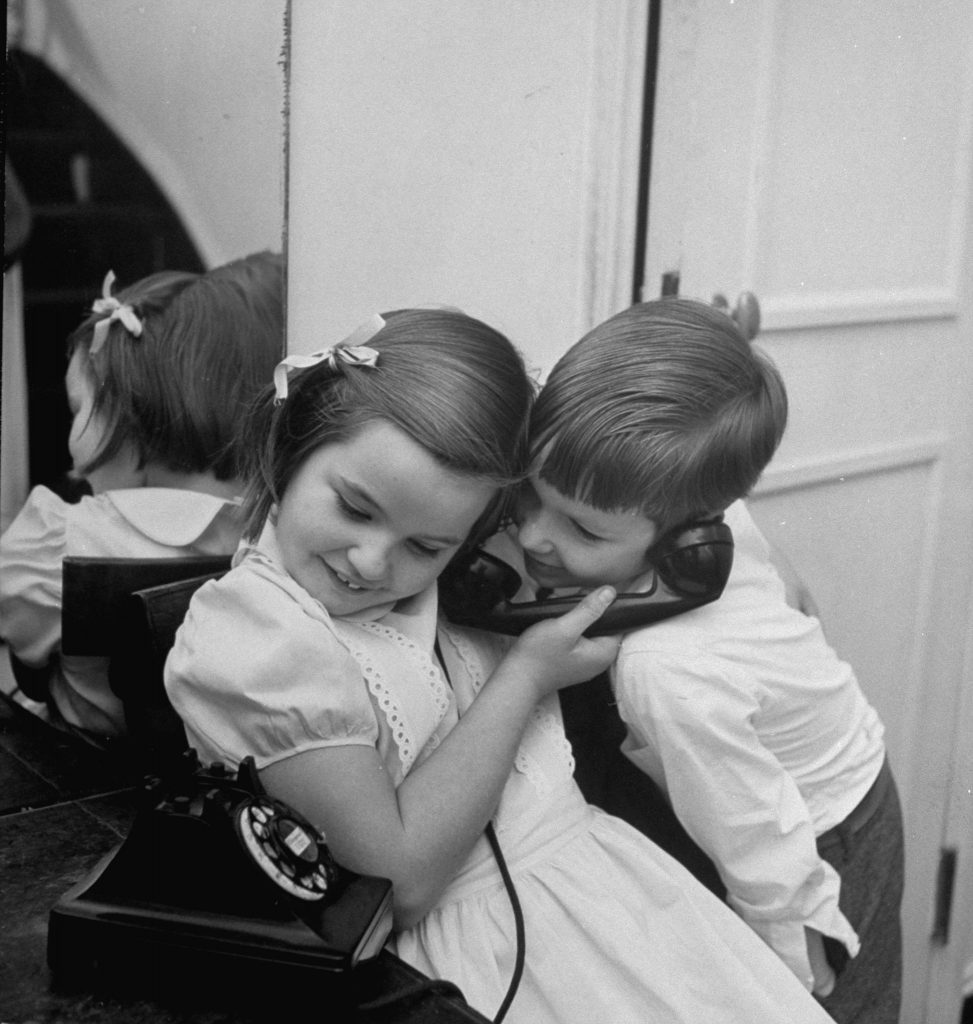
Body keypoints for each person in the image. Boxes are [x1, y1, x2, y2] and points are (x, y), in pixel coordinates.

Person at [164, 307, 835, 1024]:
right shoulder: (257, 635)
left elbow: (649, 472)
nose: (371, 561)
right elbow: (395, 879)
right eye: (355, 509)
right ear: (292, 447)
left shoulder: (466, 557)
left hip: (613, 908)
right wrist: (525, 677)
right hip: (474, 963)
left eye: (426, 547)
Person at [506, 296, 903, 1023]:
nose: (533, 537)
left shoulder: (664, 669)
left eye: (579, 530)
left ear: (683, 542)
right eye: (530, 497)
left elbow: (756, 834)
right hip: (810, 786)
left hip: (819, 834)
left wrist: (800, 960)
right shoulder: (689, 502)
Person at [0, 252, 284, 741]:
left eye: (77, 409)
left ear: (126, 418)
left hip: (84, 766)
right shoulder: (275, 529)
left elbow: (23, 644)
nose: (71, 436)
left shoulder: (59, 541)